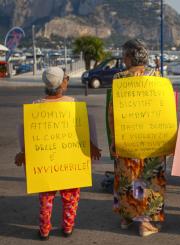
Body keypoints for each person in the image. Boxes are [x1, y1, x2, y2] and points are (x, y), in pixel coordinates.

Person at [14, 67, 101, 240]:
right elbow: (83, 130)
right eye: (66, 78)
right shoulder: (73, 104)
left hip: (45, 166)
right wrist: (92, 147)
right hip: (70, 164)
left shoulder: (36, 106)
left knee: (46, 199)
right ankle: (67, 227)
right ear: (63, 83)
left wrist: (23, 153)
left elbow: (27, 135)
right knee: (71, 197)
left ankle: (44, 230)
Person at [108, 39, 165, 237]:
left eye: (125, 55)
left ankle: (127, 218)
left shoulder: (119, 78)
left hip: (126, 138)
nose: (124, 59)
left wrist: (114, 140)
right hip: (151, 139)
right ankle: (145, 222)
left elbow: (112, 113)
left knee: (127, 178)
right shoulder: (157, 76)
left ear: (131, 57)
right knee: (147, 178)